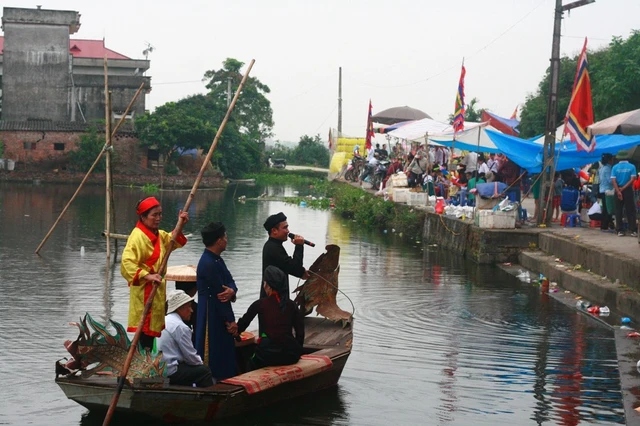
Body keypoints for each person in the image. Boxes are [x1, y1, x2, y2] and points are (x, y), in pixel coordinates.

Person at [121, 197, 189, 350]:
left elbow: (172, 241)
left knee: (150, 333)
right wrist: (147, 275)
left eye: (160, 214)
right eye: (154, 215)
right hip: (144, 291)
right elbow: (127, 263)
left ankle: (146, 363)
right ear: (143, 217)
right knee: (143, 331)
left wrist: (180, 224)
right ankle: (139, 364)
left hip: (156, 289)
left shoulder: (158, 234)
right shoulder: (137, 236)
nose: (158, 218)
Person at [227, 266, 304, 371]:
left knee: (249, 364)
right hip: (291, 355)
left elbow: (242, 324)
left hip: (267, 356)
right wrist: (297, 351)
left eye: (264, 283)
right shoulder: (292, 305)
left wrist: (235, 331)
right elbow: (300, 333)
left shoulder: (260, 304)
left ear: (268, 285)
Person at [195, 222, 239, 380]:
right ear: (219, 240)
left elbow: (230, 282)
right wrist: (231, 321)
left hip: (219, 310)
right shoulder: (208, 263)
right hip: (211, 312)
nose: (227, 240)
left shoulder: (217, 260)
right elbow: (221, 295)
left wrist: (232, 290)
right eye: (225, 237)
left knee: (224, 348)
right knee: (213, 349)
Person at [157, 290, 214, 387]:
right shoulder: (180, 327)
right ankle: (208, 398)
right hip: (169, 370)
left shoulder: (164, 320)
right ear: (179, 308)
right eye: (188, 307)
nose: (191, 310)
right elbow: (190, 356)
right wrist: (201, 363)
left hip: (158, 367)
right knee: (204, 372)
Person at [262, 212, 309, 300]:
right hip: (273, 303)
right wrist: (299, 246)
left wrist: (302, 272)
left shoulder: (274, 246)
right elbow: (295, 268)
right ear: (274, 231)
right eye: (285, 228)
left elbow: (288, 266)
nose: (288, 231)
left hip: (277, 300)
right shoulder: (272, 248)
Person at [611, 150, 638, 237]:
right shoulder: (632, 166)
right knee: (630, 210)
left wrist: (618, 191)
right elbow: (632, 179)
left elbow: (613, 180)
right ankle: (633, 230)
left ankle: (620, 230)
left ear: (618, 158)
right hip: (628, 190)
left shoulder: (615, 167)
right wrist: (624, 188)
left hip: (617, 189)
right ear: (627, 157)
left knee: (618, 210)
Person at [598, 153, 614, 232]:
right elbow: (610, 180)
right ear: (609, 160)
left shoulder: (601, 168)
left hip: (602, 190)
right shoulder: (608, 169)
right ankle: (605, 226)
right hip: (607, 191)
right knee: (608, 209)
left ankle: (603, 226)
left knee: (604, 209)